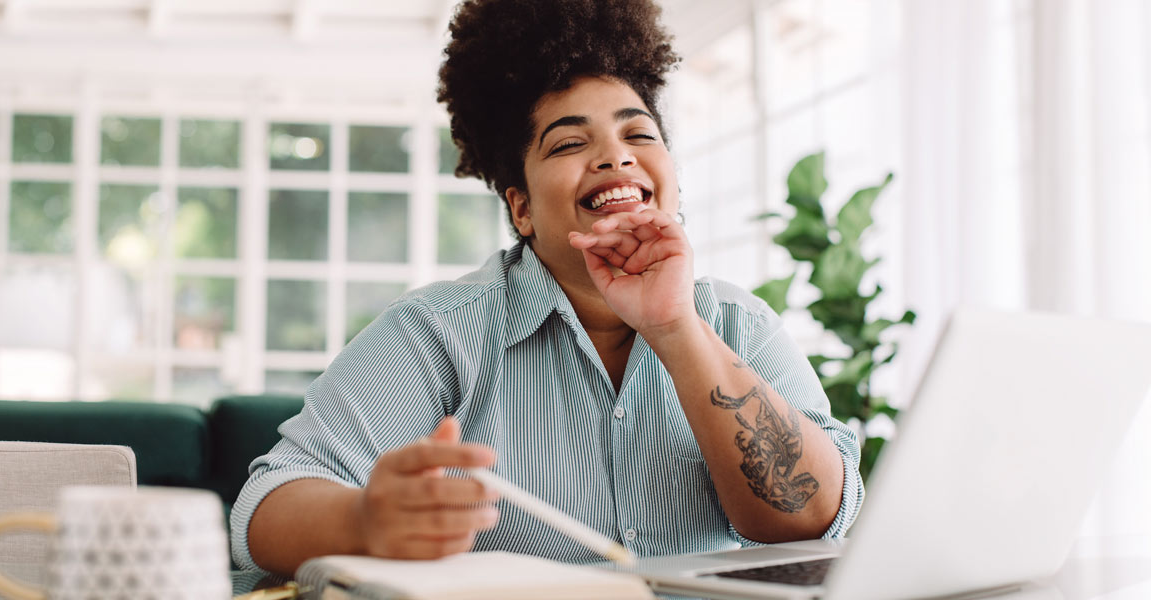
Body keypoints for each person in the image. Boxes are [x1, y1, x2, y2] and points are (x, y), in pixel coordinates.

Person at [231, 0, 863, 574]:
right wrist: (364, 522)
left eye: (638, 133)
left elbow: (808, 518)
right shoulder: (438, 335)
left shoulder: (739, 325)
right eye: (569, 142)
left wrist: (676, 327)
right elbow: (261, 510)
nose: (617, 156)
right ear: (522, 207)